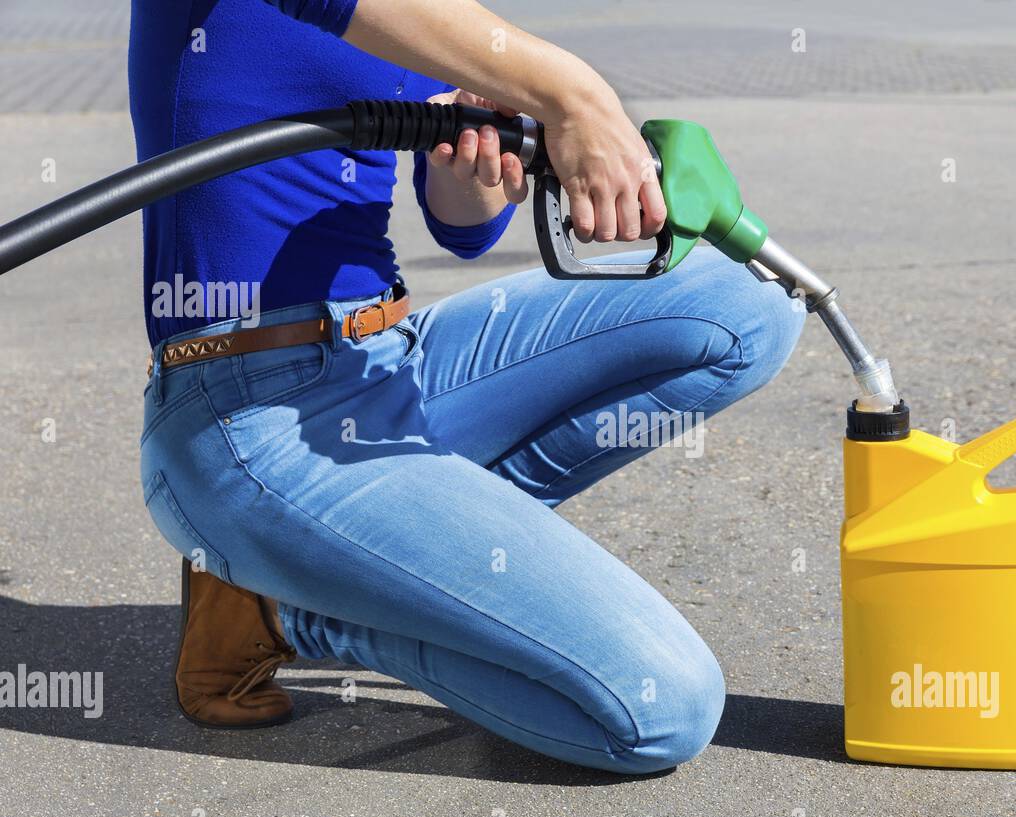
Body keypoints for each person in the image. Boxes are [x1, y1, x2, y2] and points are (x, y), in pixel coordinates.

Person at [133, 0, 801, 773]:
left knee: (746, 300)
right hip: (250, 412)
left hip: (389, 358)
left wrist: (473, 162)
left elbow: (463, 229)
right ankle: (291, 612)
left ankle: (380, 558)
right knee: (661, 708)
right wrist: (577, 95)